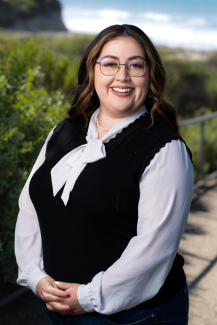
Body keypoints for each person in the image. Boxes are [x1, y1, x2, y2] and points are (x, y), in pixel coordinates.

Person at [15, 24, 194, 325]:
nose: (121, 76)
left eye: (135, 66)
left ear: (150, 77)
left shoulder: (165, 149)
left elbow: (153, 249)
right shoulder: (65, 130)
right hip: (57, 303)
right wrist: (35, 275)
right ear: (92, 71)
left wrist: (88, 297)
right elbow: (30, 205)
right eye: (110, 64)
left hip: (132, 316)